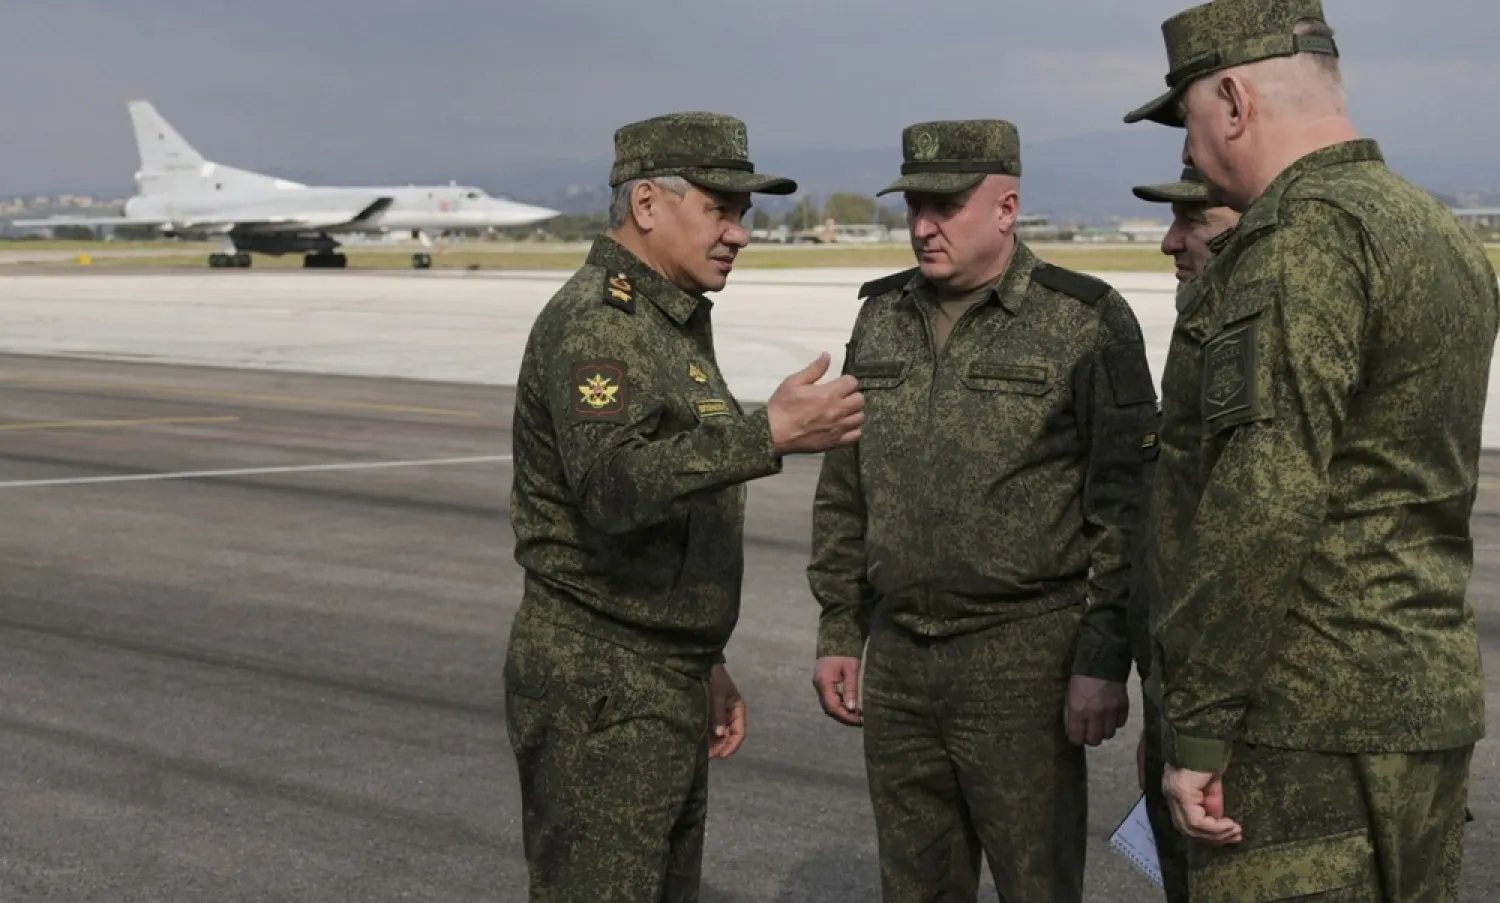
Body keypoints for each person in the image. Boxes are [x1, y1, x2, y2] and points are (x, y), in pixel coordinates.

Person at [1123, 0, 1498, 898]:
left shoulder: (1299, 239)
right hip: (1419, 704)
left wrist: (1199, 724)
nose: (1189, 152)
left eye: (1191, 119)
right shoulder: (1437, 233)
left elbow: (1264, 498)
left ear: (1234, 102)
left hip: (1303, 720)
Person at [505, 110, 866, 902]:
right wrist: (767, 432)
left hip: (657, 671)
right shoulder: (599, 325)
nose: (739, 233)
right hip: (602, 682)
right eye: (720, 209)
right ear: (646, 205)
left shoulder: (669, 321)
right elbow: (613, 487)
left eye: (743, 213)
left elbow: (673, 518)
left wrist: (704, 659)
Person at [806, 118, 1158, 902]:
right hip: (899, 660)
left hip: (1023, 659)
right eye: (914, 207)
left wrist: (1102, 658)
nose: (924, 227)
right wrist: (840, 625)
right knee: (915, 884)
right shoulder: (882, 314)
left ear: (1006, 207)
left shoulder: (1084, 320)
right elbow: (845, 483)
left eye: (945, 206)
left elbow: (1124, 507)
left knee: (1037, 882)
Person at [1125, 163, 1241, 903]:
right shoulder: (1200, 332)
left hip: (1234, 731)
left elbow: (1247, 545)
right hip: (1185, 709)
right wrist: (1164, 713)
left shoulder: (1252, 337)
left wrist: (1198, 730)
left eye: (1193, 221)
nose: (1170, 242)